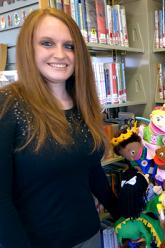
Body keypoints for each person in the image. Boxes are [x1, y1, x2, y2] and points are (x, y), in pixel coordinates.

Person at [0, 8, 119, 248]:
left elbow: (90, 168)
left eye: (70, 46)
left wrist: (121, 211)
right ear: (28, 48)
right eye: (47, 43)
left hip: (89, 236)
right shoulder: (9, 105)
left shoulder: (81, 103)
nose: (60, 54)